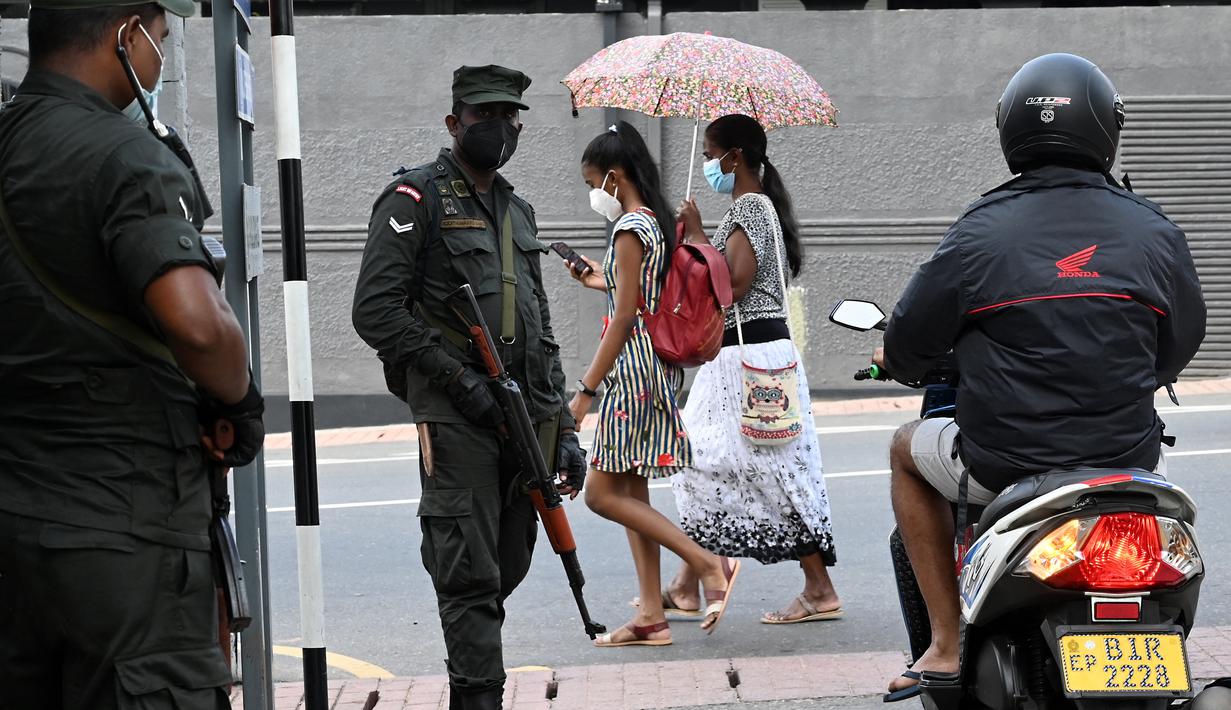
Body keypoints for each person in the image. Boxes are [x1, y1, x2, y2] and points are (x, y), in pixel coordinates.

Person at [875, 53, 1205, 701]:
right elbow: (1177, 347)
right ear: (1106, 128)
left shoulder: (978, 232)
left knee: (902, 449)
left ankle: (943, 646)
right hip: (1124, 461)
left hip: (1004, 464)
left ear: (1010, 132)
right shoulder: (1155, 230)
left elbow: (908, 347)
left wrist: (912, 364)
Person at [0, 2, 265, 708]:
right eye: (161, 40)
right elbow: (199, 327)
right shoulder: (125, 154)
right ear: (127, 34)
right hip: (126, 526)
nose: (158, 58)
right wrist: (238, 404)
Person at [351, 65, 587, 710]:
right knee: (469, 574)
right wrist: (457, 380)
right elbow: (376, 310)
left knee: (507, 564)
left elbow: (539, 332)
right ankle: (477, 696)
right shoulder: (415, 199)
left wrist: (564, 429)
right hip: (459, 415)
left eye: (512, 117)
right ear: (455, 123)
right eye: (485, 116)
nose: (501, 127)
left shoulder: (518, 210)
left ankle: (474, 663)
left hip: (526, 417)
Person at [656, 113, 842, 625]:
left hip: (747, 359)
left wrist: (695, 235)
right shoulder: (753, 208)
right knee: (712, 460)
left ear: (735, 158)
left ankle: (816, 588)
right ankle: (687, 582)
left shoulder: (752, 208)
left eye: (712, 155)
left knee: (733, 463)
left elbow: (732, 285)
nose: (708, 164)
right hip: (744, 358)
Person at [564, 121, 741, 648]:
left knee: (599, 494)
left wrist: (585, 392)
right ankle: (650, 616)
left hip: (631, 369)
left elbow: (623, 319)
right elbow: (639, 295)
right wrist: (600, 279)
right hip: (654, 368)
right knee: (631, 491)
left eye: (595, 183)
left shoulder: (626, 230)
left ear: (615, 178)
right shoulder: (654, 225)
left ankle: (707, 564)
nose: (595, 194)